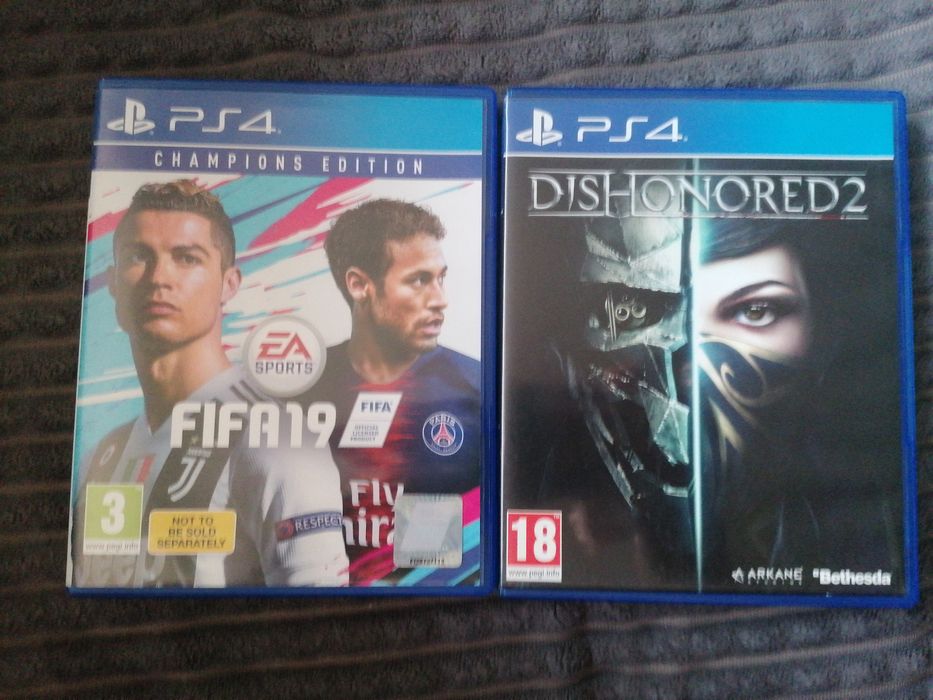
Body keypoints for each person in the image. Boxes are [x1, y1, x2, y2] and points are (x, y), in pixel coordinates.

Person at [70, 179, 348, 588]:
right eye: (138, 256)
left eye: (187, 258)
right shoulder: (101, 456)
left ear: (229, 284)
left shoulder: (277, 440)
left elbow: (319, 615)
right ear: (113, 282)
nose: (159, 277)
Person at [306, 199, 481, 585]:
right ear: (359, 285)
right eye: (419, 280)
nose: (440, 299)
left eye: (441, 278)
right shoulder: (297, 391)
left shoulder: (477, 392)